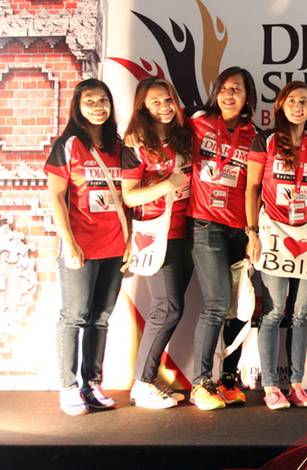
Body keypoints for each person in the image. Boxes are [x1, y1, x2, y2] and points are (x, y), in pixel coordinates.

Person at [245, 81, 307, 410]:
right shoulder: (265, 141)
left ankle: (296, 384)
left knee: (299, 315)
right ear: (280, 105)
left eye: (304, 101)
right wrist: (251, 233)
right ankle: (270, 386)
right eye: (292, 100)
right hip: (273, 233)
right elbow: (252, 188)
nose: (298, 106)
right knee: (274, 311)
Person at [45, 78, 127, 415]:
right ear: (77, 107)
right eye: (90, 101)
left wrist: (131, 242)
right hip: (80, 247)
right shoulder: (68, 145)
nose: (98, 107)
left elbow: (128, 197)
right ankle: (68, 387)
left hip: (115, 246)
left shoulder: (119, 146)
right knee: (75, 316)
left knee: (101, 318)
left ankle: (92, 383)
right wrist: (69, 243)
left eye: (103, 100)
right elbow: (55, 197)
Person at [189, 66, 259, 410]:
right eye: (225, 88)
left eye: (237, 89)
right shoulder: (197, 123)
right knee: (217, 302)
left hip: (240, 229)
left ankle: (228, 380)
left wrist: (252, 232)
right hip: (206, 224)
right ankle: (200, 382)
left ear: (247, 98)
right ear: (215, 92)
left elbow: (256, 187)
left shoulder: (254, 135)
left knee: (239, 307)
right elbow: (159, 135)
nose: (230, 95)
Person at [121, 77, 193, 409]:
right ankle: (142, 383)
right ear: (143, 107)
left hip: (185, 231)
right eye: (155, 102)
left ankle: (149, 379)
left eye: (168, 100)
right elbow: (130, 195)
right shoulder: (136, 144)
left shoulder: (184, 135)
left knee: (171, 308)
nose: (164, 107)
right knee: (166, 308)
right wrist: (168, 184)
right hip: (154, 235)